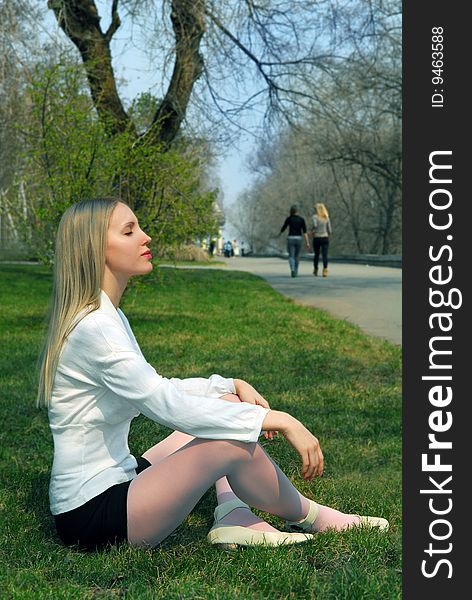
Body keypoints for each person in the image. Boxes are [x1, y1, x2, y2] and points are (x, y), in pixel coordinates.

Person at [37, 197, 388, 551]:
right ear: (96, 249)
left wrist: (229, 385)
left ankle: (233, 513)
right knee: (228, 438)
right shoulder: (95, 326)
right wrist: (277, 419)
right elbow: (163, 402)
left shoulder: (107, 314)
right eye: (130, 231)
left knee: (225, 404)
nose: (146, 238)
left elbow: (160, 388)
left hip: (122, 477)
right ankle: (317, 518)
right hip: (93, 514)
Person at [279, 205, 310, 277]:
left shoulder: (289, 219)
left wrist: (280, 232)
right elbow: (305, 232)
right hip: (299, 238)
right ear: (297, 211)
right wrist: (307, 242)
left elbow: (284, 227)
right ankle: (296, 270)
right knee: (297, 256)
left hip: (291, 238)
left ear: (291, 211)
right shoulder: (301, 219)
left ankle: (292, 269)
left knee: (291, 256)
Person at [311, 203, 332, 277]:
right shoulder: (326, 217)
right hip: (325, 237)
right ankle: (325, 270)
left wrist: (312, 230)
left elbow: (315, 225)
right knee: (325, 255)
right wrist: (327, 234)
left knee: (316, 254)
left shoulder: (314, 217)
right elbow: (330, 230)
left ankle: (316, 269)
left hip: (317, 237)